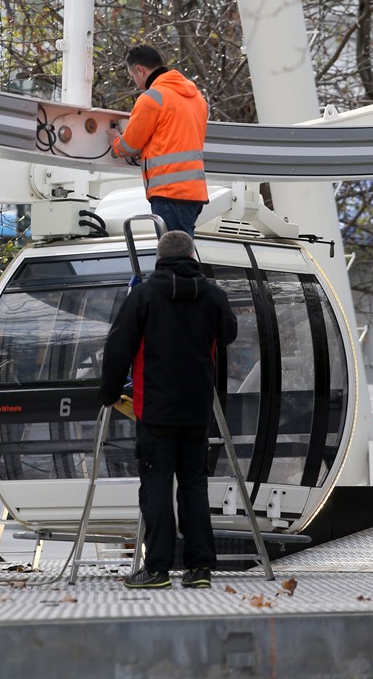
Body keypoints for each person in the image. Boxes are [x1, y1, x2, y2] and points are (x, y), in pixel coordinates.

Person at [99, 229, 237, 590]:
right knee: (194, 483)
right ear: (192, 255)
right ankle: (200, 568)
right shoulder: (212, 294)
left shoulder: (143, 295)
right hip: (196, 409)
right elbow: (229, 334)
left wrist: (110, 392)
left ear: (159, 257)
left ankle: (157, 568)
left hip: (154, 408)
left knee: (156, 483)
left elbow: (118, 347)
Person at [107, 45, 208, 236]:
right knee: (183, 253)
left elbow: (130, 145)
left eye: (133, 76)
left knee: (173, 257)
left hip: (169, 192)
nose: (135, 83)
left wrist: (115, 142)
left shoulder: (152, 97)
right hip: (195, 192)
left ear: (140, 70)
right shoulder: (197, 97)